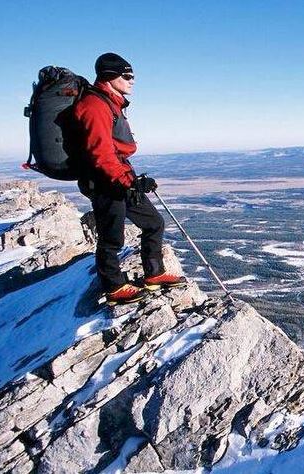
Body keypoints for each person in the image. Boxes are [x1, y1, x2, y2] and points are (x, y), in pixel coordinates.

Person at [74, 52, 185, 305]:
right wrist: (128, 182)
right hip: (104, 181)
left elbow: (113, 150)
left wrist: (133, 180)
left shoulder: (111, 102)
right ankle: (113, 288)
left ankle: (154, 274)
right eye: (127, 75)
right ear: (110, 76)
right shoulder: (94, 105)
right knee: (112, 236)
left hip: (121, 175)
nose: (132, 80)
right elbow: (100, 154)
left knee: (154, 222)